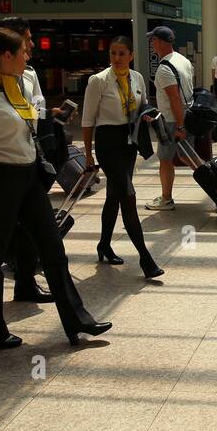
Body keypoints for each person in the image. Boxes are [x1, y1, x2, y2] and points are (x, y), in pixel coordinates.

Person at [0, 27, 111, 349]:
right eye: (23, 51)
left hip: (29, 178)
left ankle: (77, 320)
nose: (29, 55)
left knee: (53, 249)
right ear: (5, 56)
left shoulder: (20, 85)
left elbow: (33, 120)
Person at [82, 36, 164, 279]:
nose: (116, 58)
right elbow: (87, 121)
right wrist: (88, 156)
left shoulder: (137, 77)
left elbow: (143, 105)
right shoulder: (98, 81)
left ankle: (104, 245)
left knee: (115, 195)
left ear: (130, 55)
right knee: (128, 196)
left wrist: (147, 114)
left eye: (121, 54)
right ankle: (145, 258)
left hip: (129, 142)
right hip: (108, 143)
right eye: (113, 53)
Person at [146, 26, 194, 211]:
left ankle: (166, 198)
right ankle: (216, 185)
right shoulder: (183, 60)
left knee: (165, 159)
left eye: (153, 40)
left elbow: (175, 99)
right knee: (187, 156)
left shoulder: (164, 69)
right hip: (186, 115)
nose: (151, 43)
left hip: (173, 121)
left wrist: (180, 127)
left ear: (160, 41)